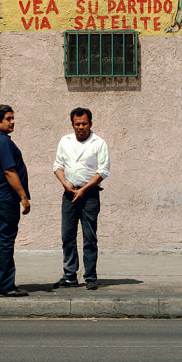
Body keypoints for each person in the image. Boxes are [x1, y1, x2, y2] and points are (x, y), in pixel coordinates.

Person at [52, 107, 111, 290]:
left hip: (89, 196)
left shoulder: (98, 143)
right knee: (67, 236)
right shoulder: (65, 141)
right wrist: (65, 184)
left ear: (90, 123)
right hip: (69, 194)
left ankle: (90, 276)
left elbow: (103, 171)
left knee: (89, 237)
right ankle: (69, 275)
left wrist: (85, 188)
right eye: (77, 124)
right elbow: (58, 166)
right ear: (72, 124)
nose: (81, 127)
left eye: (84, 124)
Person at [0, 103, 30, 297]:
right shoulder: (3, 142)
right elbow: (10, 171)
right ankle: (5, 285)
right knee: (5, 241)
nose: (12, 122)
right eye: (8, 119)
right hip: (4, 198)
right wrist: (23, 197)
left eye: (12, 118)